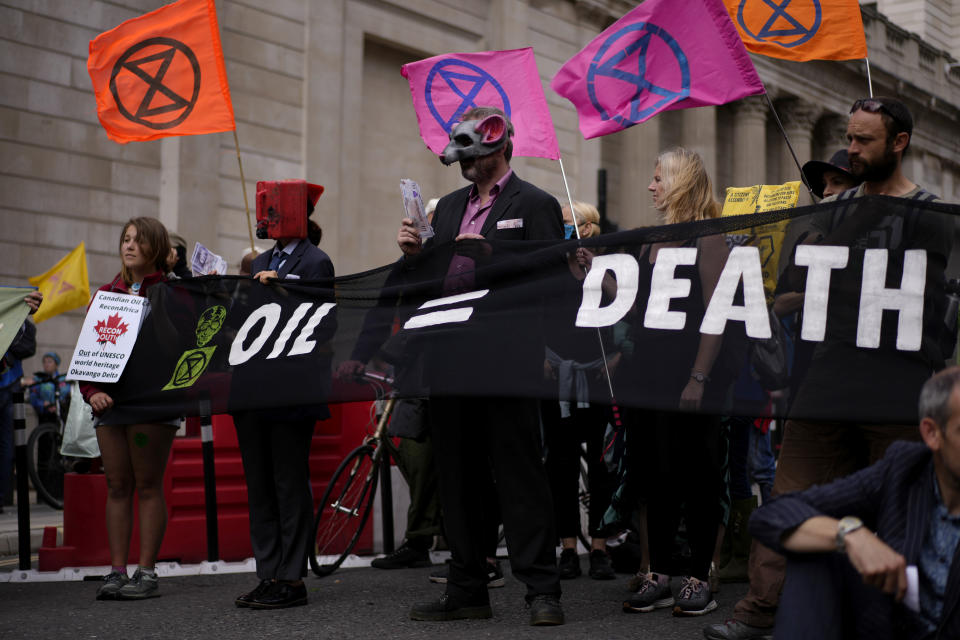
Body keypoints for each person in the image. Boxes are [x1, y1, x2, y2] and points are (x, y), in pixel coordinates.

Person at [705, 96, 952, 640]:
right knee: (790, 500)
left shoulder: (932, 217)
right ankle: (760, 609)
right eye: (851, 136)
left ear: (899, 143)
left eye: (865, 140)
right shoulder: (831, 212)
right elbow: (793, 288)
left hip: (897, 392)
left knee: (898, 513)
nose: (853, 149)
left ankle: (893, 621)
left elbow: (939, 307)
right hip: (825, 383)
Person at [397, 106, 565, 626]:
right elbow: (428, 283)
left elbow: (553, 280)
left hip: (507, 360)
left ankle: (541, 590)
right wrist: (411, 255)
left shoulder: (536, 204)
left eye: (471, 150)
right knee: (457, 478)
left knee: (519, 475)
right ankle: (467, 588)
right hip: (449, 360)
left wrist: (493, 255)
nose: (463, 163)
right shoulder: (445, 208)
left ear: (497, 146)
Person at [748, 366, 960, 639]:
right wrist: (850, 534)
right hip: (895, 628)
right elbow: (772, 515)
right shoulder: (907, 468)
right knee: (817, 550)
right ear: (932, 433)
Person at [620, 147, 730, 617]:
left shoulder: (707, 236)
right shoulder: (650, 241)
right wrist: (592, 273)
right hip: (648, 374)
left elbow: (717, 315)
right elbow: (635, 304)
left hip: (691, 376)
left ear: (682, 181)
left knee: (698, 475)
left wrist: (698, 377)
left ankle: (698, 576)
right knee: (654, 475)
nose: (650, 186)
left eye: (659, 177)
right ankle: (660, 573)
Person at [232, 182, 334, 610]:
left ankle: (292, 579)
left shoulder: (317, 262)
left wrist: (285, 293)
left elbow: (321, 324)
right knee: (260, 485)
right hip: (253, 390)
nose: (267, 218)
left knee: (288, 483)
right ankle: (268, 572)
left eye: (274, 210)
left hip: (292, 391)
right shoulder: (260, 260)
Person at [79, 217, 179, 600]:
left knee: (149, 485)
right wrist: (92, 392)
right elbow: (88, 353)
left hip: (152, 403)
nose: (129, 246)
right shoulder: (106, 293)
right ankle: (117, 571)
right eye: (125, 239)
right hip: (111, 405)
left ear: (155, 246)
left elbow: (181, 347)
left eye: (138, 240)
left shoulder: (172, 293)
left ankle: (147, 573)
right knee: (117, 485)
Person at [543, 200, 617, 581]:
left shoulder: (608, 264)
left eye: (571, 224)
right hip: (560, 379)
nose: (566, 230)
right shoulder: (554, 266)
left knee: (602, 465)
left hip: (598, 378)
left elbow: (625, 308)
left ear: (588, 228)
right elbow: (539, 314)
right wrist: (542, 353)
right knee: (562, 465)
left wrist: (596, 271)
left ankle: (601, 546)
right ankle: (568, 547)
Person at [0, 290, 41, 512]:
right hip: (12, 384)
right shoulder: (21, 324)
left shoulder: (18, 323)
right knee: (7, 443)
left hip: (9, 386)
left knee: (7, 443)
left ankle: (3, 495)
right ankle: (2, 496)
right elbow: (29, 349)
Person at [28, 352, 70, 421]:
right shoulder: (38, 379)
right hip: (44, 414)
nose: (46, 365)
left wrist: (58, 405)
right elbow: (32, 396)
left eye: (50, 362)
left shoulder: (63, 379)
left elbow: (68, 396)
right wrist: (42, 404)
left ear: (56, 365)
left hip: (61, 415)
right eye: (44, 362)